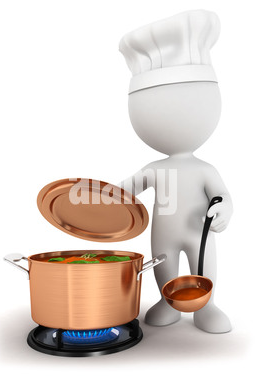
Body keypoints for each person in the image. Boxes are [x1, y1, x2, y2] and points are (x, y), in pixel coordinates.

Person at [118, 10, 233, 333]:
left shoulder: (205, 169)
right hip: (163, 235)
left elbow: (222, 195)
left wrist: (224, 208)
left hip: (201, 232)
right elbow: (126, 188)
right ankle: (167, 301)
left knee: (203, 266)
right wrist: (106, 197)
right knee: (163, 263)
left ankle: (206, 307)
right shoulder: (155, 168)